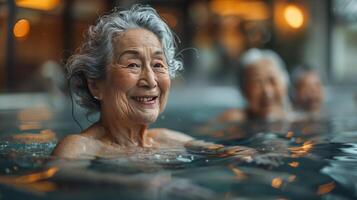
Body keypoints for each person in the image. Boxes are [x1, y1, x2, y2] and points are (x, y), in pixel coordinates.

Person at [52, 5, 196, 158]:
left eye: (158, 65)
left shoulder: (172, 141)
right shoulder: (79, 148)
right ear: (95, 85)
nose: (151, 81)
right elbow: (63, 174)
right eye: (133, 65)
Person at [217, 48, 292, 123]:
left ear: (285, 83)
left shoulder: (297, 117)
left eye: (272, 81)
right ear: (243, 90)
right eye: (257, 83)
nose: (267, 91)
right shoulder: (232, 120)